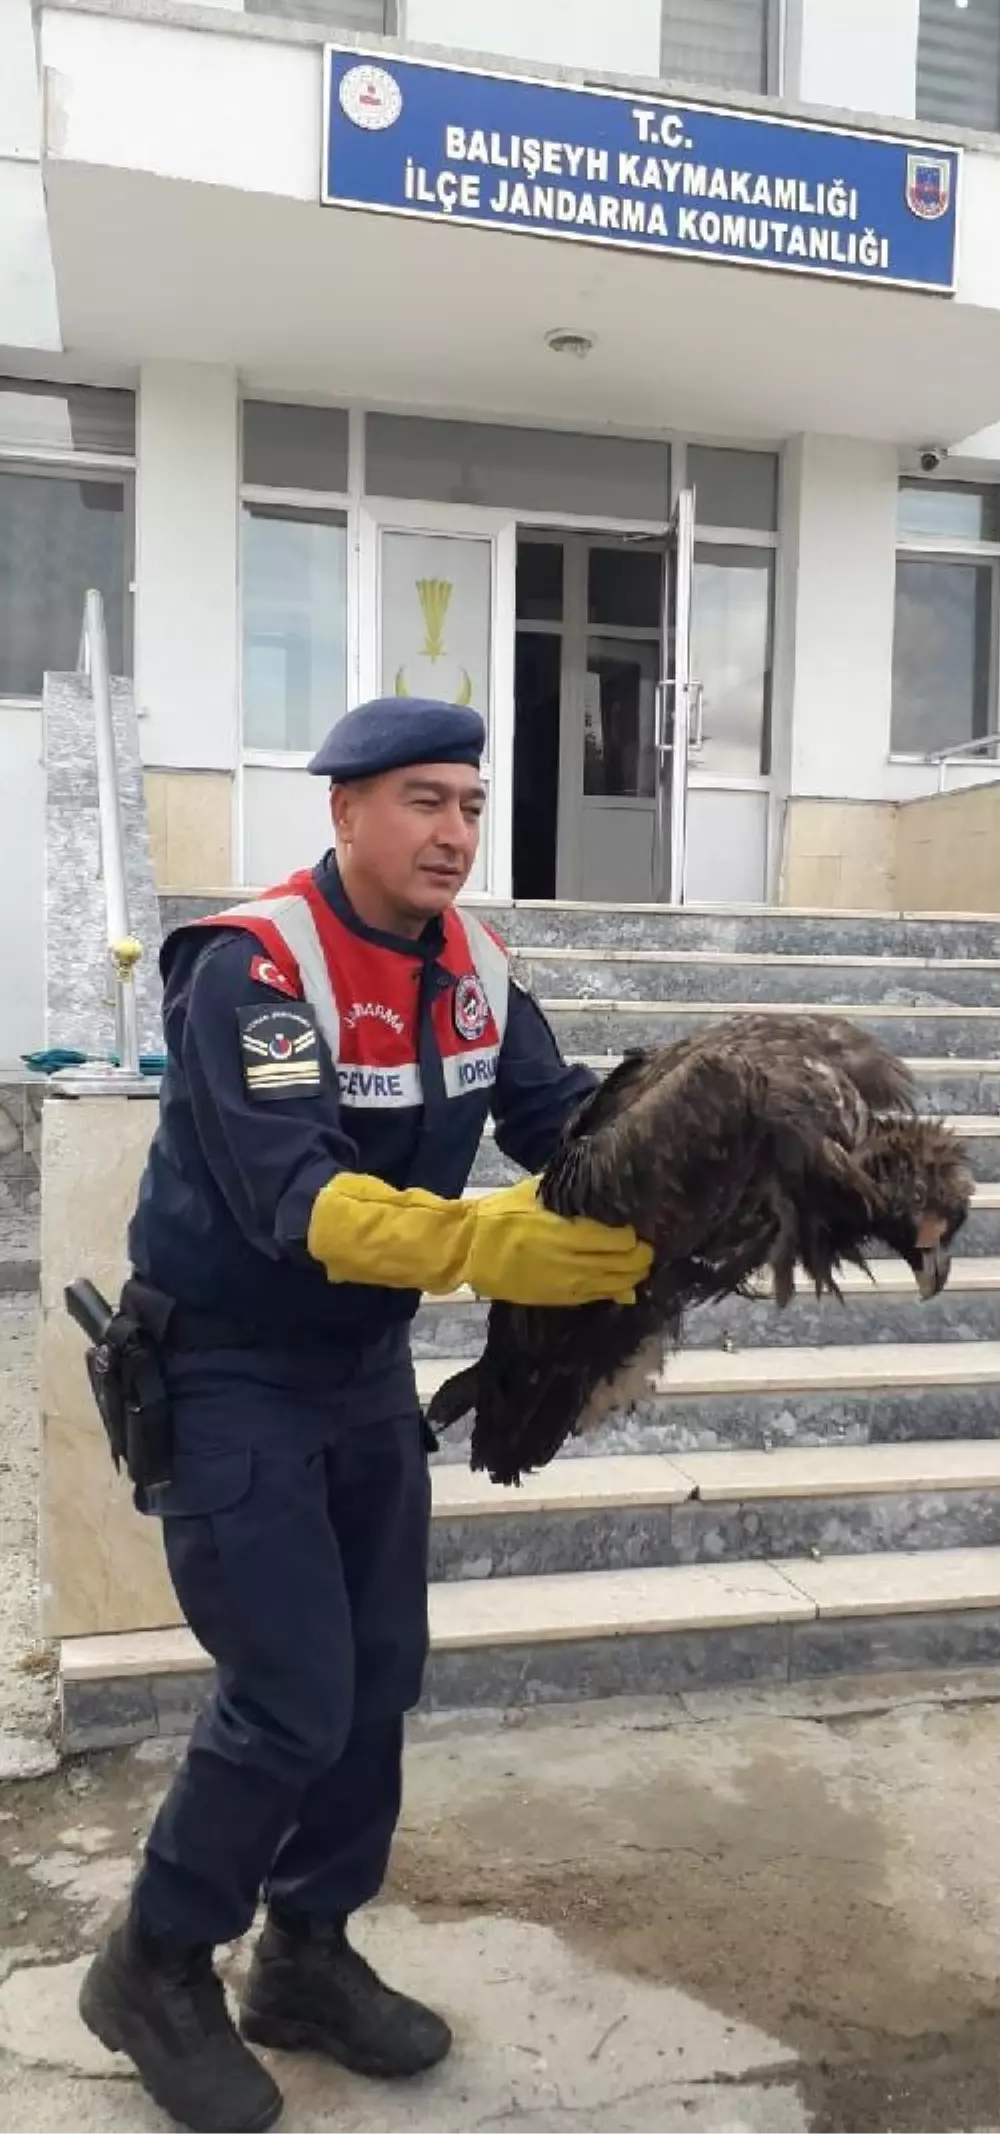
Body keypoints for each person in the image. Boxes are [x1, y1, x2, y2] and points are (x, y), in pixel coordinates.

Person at [77, 696, 653, 2134]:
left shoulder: (474, 964)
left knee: (377, 1677)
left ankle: (306, 1952)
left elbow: (560, 1119)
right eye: (422, 801)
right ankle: (152, 1959)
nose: (456, 831)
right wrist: (487, 1245)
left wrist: (692, 1166)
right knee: (287, 1693)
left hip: (359, 1376)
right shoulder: (252, 968)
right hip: (225, 1370)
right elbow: (302, 1201)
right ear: (344, 812)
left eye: (470, 803)